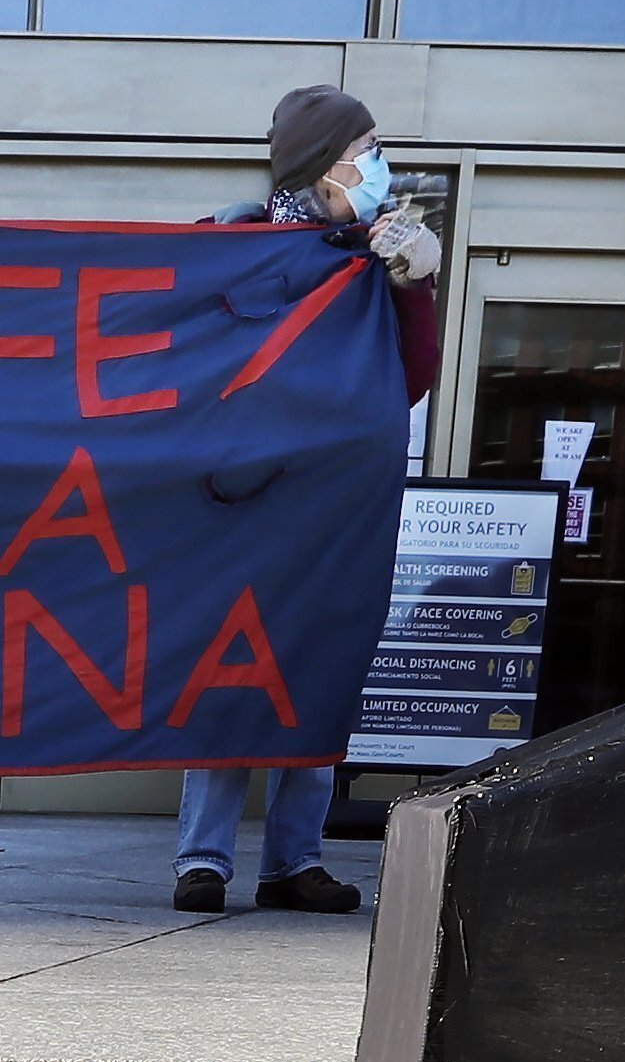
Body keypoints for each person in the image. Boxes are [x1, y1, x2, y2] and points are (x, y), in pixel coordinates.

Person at [171, 85, 444, 917]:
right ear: (327, 159)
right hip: (238, 503)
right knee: (230, 669)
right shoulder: (231, 245)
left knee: (315, 670)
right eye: (369, 146)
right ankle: (204, 859)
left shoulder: (370, 257)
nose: (379, 163)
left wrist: (413, 289)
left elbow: (409, 380)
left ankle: (294, 860)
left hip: (329, 506)